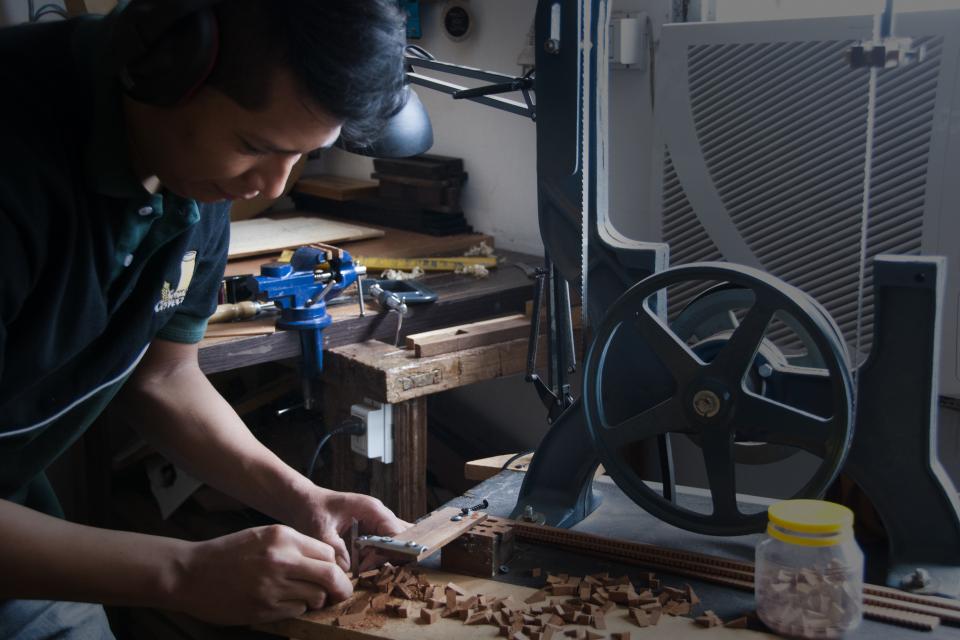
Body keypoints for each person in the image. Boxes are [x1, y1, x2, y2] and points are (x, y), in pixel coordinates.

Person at [0, 1, 410, 637]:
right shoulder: (16, 165)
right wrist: (181, 575)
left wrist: (305, 499)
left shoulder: (191, 167)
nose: (272, 187)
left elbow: (163, 377)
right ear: (167, 64)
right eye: (254, 147)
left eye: (300, 157)